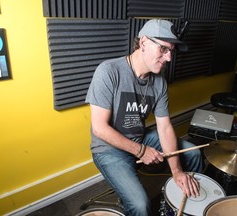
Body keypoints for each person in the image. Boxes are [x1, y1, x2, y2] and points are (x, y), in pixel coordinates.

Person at [85, 19, 203, 216]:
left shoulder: (159, 83)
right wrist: (140, 151)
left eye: (171, 51)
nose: (169, 58)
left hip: (140, 138)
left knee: (194, 153)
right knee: (140, 205)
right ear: (144, 42)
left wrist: (176, 171)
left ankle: (186, 203)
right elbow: (99, 128)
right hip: (108, 149)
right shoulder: (108, 71)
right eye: (164, 49)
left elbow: (164, 128)